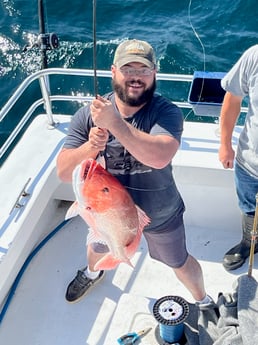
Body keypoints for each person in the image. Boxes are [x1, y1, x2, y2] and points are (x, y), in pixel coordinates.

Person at [56, 39, 211, 304]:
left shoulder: (166, 113)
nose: (136, 77)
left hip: (160, 212)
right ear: (113, 71)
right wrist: (90, 147)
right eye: (129, 69)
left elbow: (160, 157)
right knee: (95, 249)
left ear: (154, 73)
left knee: (179, 261)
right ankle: (92, 273)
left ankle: (203, 299)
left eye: (144, 70)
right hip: (107, 214)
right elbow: (63, 170)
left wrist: (114, 123)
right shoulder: (88, 115)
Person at [219, 44, 258, 271]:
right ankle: (249, 243)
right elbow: (233, 99)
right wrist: (225, 145)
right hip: (249, 163)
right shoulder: (253, 55)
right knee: (248, 207)